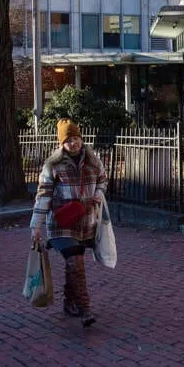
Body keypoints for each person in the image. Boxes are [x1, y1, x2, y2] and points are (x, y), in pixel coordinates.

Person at [30, 119, 108, 327]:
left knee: (74, 263)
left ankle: (68, 302)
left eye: (76, 138)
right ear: (61, 144)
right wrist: (36, 225)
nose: (73, 143)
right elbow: (43, 195)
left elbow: (102, 179)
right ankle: (85, 309)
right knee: (76, 262)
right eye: (68, 140)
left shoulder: (93, 161)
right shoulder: (52, 165)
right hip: (61, 223)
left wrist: (99, 193)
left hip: (85, 222)